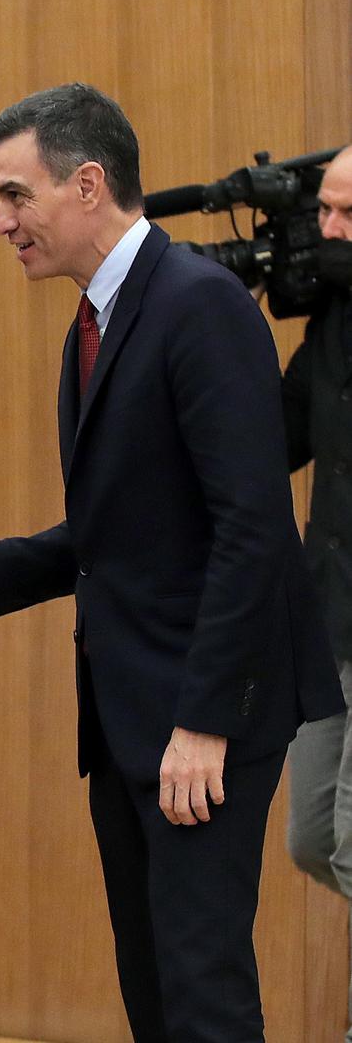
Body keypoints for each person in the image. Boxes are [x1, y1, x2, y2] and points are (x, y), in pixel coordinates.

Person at [0, 83, 343, 1041]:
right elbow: (122, 532)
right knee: (155, 989)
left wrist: (205, 722)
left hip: (202, 715)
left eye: (15, 196)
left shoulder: (199, 306)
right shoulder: (98, 317)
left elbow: (253, 530)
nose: (1, 222)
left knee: (201, 994)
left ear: (87, 184)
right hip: (134, 713)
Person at [282, 143, 352, 1040]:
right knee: (311, 840)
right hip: (326, 621)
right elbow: (278, 435)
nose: (329, 232)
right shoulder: (332, 319)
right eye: (324, 212)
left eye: (349, 216)